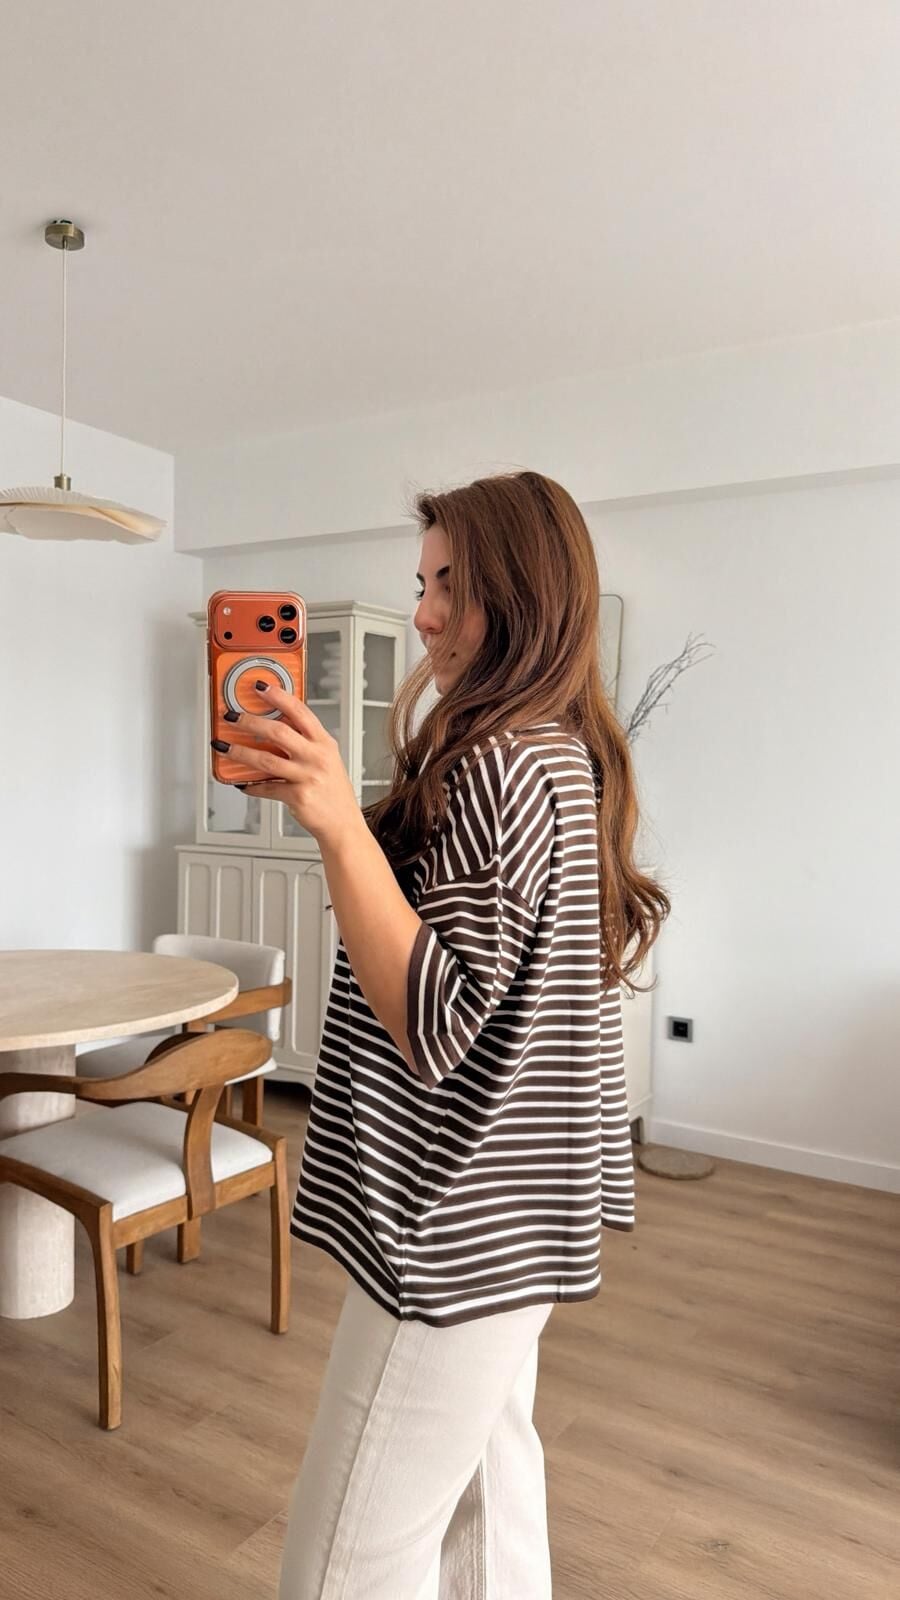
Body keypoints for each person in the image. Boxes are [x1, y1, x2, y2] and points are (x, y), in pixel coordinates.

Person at [220, 470, 670, 1599]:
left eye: (451, 587)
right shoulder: (559, 750)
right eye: (421, 584)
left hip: (453, 1220)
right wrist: (339, 819)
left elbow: (433, 1022)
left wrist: (339, 825)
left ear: (523, 596)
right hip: (519, 1215)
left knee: (341, 1563)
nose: (422, 614)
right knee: (488, 1504)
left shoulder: (501, 763)